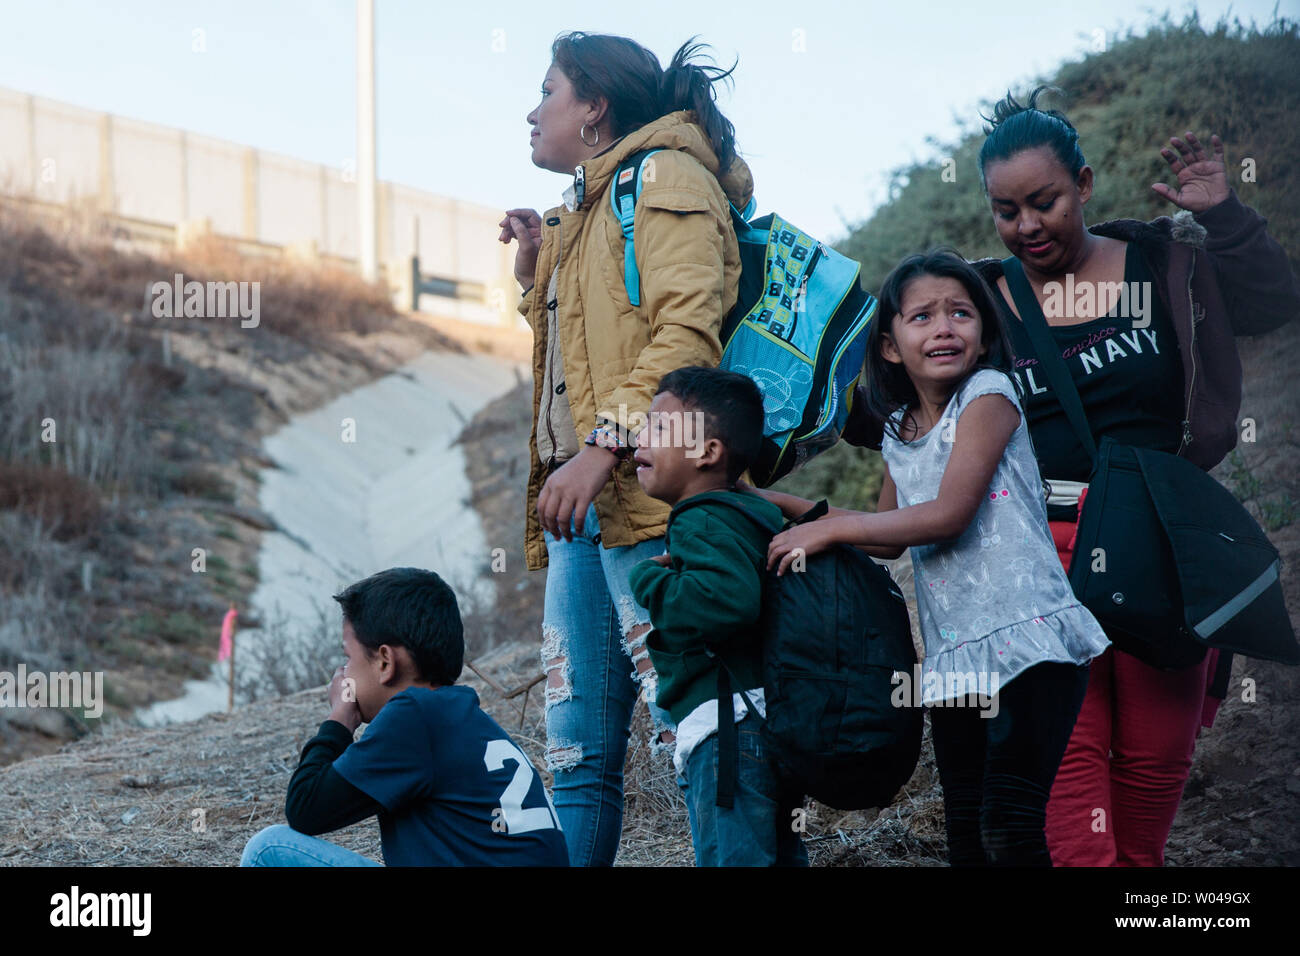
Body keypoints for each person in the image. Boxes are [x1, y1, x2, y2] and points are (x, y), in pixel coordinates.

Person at [970, 87, 1300, 866]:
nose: (1026, 226)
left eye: (1044, 202)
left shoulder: (1165, 261)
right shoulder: (985, 302)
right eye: (1006, 210)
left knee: (1152, 781)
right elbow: (902, 388)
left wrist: (1224, 215)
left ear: (1082, 185)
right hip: (1038, 564)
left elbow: (1272, 301)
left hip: (1164, 552)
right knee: (1069, 794)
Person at [756, 250, 1110, 865]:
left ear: (983, 333)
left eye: (961, 313)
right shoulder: (899, 431)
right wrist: (767, 502)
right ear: (890, 345)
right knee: (966, 825)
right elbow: (890, 535)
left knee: (1010, 819)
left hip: (1028, 637)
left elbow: (949, 514)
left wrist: (830, 533)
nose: (944, 327)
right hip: (957, 655)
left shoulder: (988, 395)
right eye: (922, 316)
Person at [498, 31, 754, 866]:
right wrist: (537, 273)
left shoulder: (667, 178)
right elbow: (587, 353)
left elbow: (686, 334)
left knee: (695, 733)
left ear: (595, 106)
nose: (534, 111)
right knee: (575, 754)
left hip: (649, 504)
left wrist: (605, 449)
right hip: (588, 515)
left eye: (549, 92)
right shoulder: (589, 204)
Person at [240, 567, 568, 867]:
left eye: (348, 658)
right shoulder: (464, 718)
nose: (342, 673)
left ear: (385, 662)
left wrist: (339, 719)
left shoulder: (413, 716)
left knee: (268, 850)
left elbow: (306, 808)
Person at [626, 366, 807, 867]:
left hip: (730, 729)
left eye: (660, 430)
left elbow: (728, 601)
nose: (642, 437)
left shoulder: (701, 516)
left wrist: (649, 581)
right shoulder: (744, 515)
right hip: (764, 718)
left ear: (707, 453)